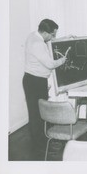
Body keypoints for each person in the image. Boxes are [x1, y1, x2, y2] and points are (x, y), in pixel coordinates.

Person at [22, 19, 71, 159]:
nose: (53, 37)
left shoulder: (34, 35)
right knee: (37, 115)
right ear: (45, 32)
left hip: (35, 80)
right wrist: (63, 60)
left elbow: (49, 42)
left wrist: (65, 38)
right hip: (34, 82)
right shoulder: (37, 44)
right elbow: (50, 64)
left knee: (40, 113)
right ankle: (40, 146)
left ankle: (44, 141)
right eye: (52, 35)